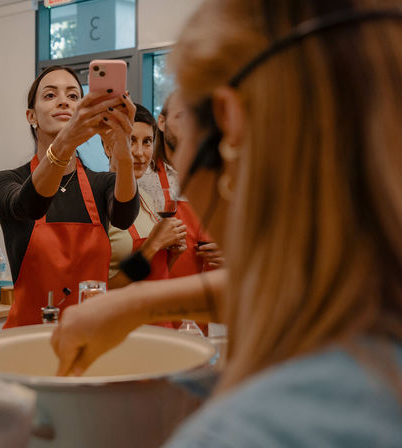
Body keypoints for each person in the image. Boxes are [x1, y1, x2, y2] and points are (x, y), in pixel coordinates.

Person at [53, 0, 402, 445]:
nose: (146, 151)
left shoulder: (248, 432)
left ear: (228, 124)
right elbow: (317, 283)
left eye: (178, 132)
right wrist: (134, 299)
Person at [0, 65, 139, 328]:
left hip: (91, 338)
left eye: (73, 96)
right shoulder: (4, 182)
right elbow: (28, 204)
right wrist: (67, 142)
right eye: (50, 95)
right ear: (31, 116)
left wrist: (122, 148)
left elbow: (124, 217)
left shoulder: (102, 183)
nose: (63, 102)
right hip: (28, 340)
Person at [138, 92, 224, 276]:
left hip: (210, 292)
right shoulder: (142, 178)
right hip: (162, 293)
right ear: (161, 123)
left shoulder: (218, 176)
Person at [105, 104, 187, 287]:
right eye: (130, 141)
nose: (140, 153)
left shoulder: (145, 198)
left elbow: (152, 276)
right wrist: (153, 245)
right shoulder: (97, 202)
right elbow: (98, 290)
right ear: (108, 147)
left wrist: (172, 255)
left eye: (147, 141)